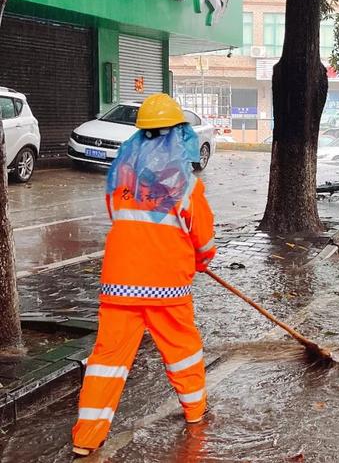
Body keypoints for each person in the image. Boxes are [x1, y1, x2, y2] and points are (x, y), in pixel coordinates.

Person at [71, 94, 217, 457]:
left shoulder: (120, 181)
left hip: (120, 286)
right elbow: (204, 237)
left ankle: (86, 438)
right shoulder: (186, 185)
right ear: (176, 136)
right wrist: (202, 260)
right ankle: (196, 413)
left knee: (107, 361)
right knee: (182, 351)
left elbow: (120, 222)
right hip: (167, 289)